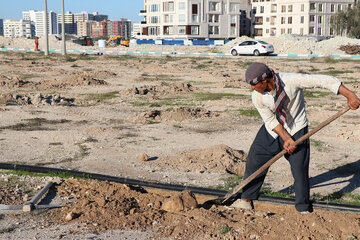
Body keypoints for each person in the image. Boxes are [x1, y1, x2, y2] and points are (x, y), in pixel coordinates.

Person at [231, 62, 360, 213]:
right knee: (255, 160)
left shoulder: (291, 80)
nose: (252, 88)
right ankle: (246, 199)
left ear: (264, 80)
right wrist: (286, 138)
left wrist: (350, 95)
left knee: (299, 170)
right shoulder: (257, 97)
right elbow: (270, 120)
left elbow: (321, 80)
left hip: (297, 129)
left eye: (254, 84)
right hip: (272, 131)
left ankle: (303, 208)